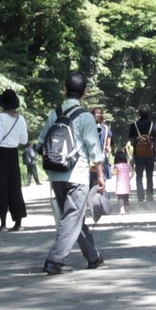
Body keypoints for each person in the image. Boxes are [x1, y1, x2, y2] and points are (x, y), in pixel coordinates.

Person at [39, 72, 105, 274]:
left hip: (56, 174)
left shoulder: (54, 113)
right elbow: (94, 149)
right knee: (72, 217)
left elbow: (42, 140)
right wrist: (101, 175)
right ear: (84, 93)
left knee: (73, 218)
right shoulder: (85, 117)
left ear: (65, 89)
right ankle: (54, 260)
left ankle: (93, 257)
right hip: (77, 175)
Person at [0, 89, 29, 231]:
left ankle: (3, 223)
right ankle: (18, 223)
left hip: (2, 154)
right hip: (13, 153)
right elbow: (24, 140)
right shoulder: (21, 118)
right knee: (15, 187)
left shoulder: (0, 117)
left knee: (1, 186)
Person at [130, 107, 156, 197]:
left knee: (139, 176)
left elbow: (131, 139)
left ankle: (140, 196)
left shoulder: (134, 125)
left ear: (139, 114)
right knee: (149, 176)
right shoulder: (153, 124)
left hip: (138, 153)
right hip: (150, 153)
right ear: (149, 113)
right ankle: (150, 196)